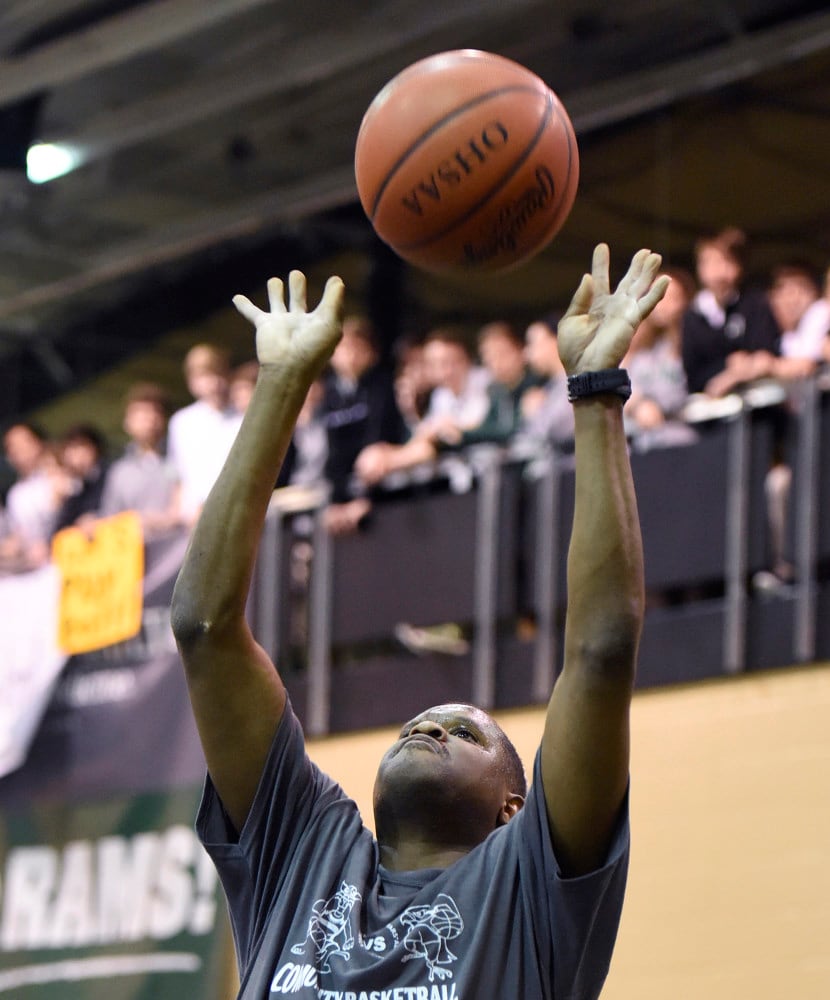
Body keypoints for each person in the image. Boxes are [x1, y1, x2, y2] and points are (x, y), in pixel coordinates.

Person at [170, 243, 669, 1000]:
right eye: (423, 726)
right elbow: (203, 627)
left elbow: (600, 650)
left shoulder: (530, 880)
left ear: (515, 807)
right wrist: (282, 385)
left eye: (464, 732)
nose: (427, 728)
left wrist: (595, 391)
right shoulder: (304, 848)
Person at [681, 226, 781, 397]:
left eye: (725, 261)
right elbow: (693, 375)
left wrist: (734, 376)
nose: (718, 271)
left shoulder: (755, 303)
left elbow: (766, 355)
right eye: (709, 261)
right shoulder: (693, 316)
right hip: (710, 413)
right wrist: (726, 365)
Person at [167, 342, 243, 525]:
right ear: (191, 381)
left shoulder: (243, 419)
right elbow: (178, 476)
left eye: (218, 373)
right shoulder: (181, 421)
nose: (214, 382)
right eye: (204, 375)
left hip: (235, 514)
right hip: (192, 520)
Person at [98, 381, 183, 536]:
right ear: (127, 422)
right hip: (137, 552)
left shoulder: (180, 456)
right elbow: (109, 516)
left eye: (155, 411)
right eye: (141, 412)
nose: (149, 418)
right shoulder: (119, 471)